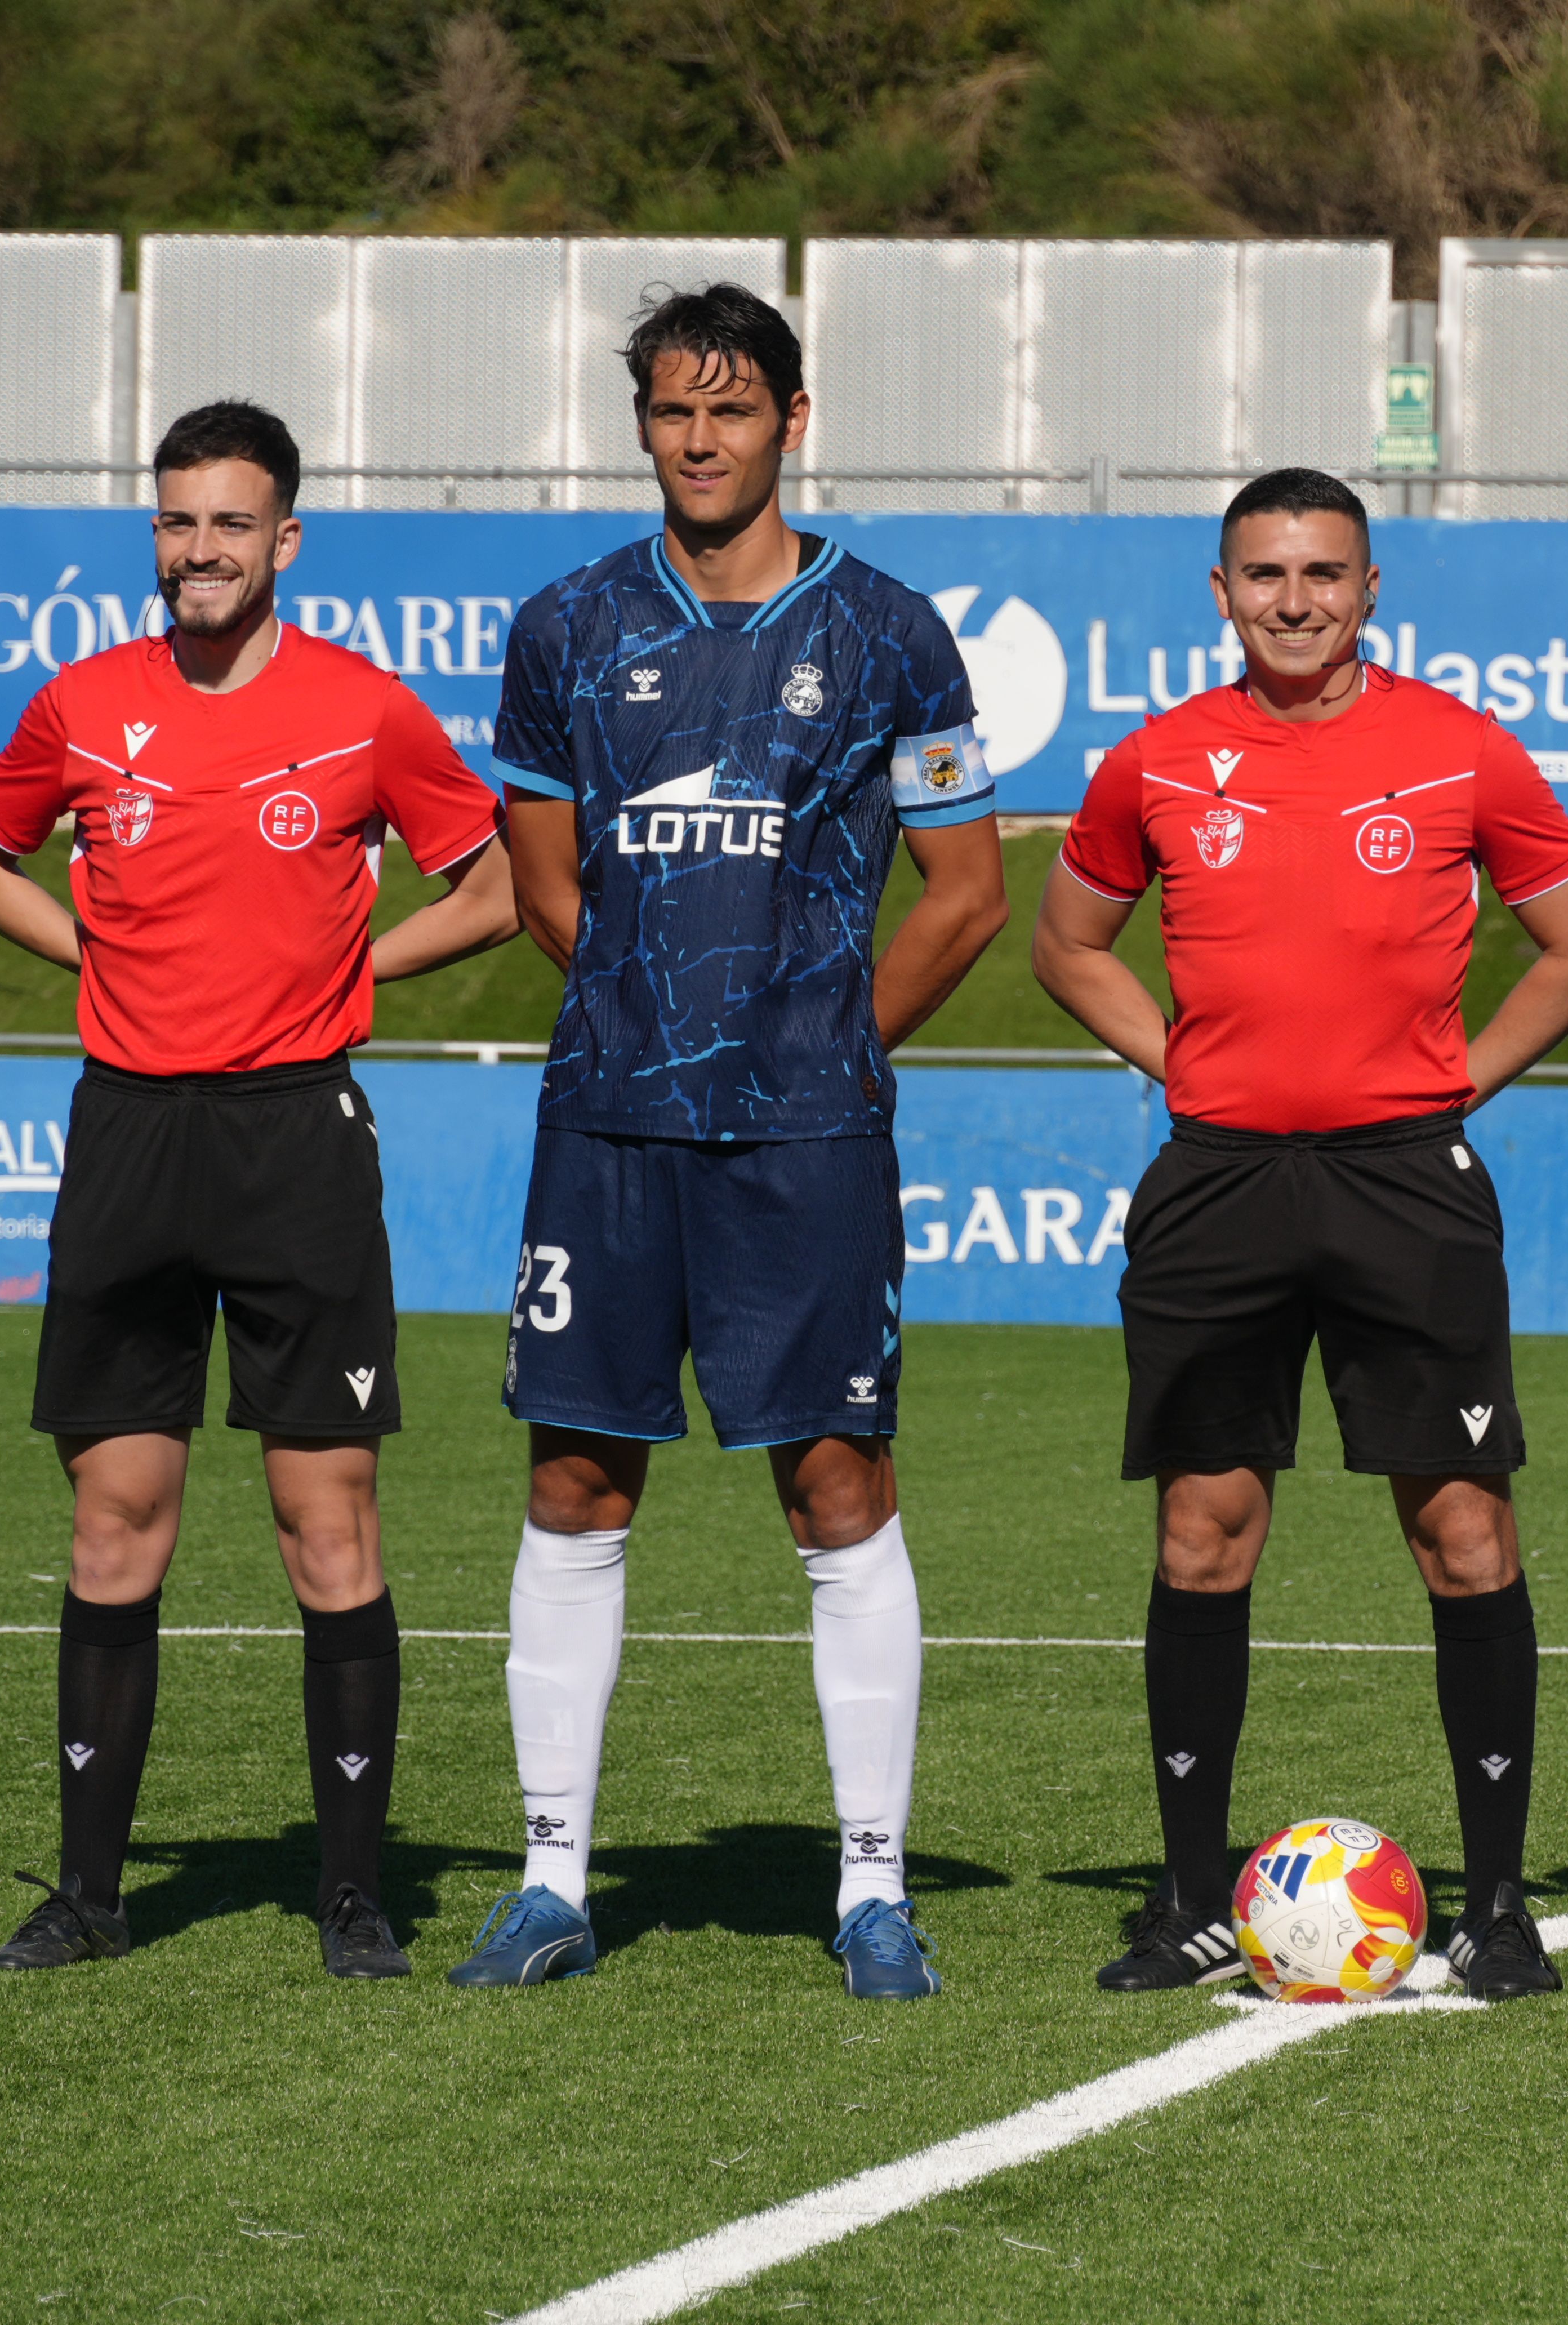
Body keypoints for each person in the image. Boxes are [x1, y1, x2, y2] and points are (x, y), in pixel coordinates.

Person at [447, 284, 1006, 2001]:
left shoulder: (897, 631)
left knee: (837, 1487)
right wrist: (663, 1025)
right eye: (674, 413)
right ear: (643, 428)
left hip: (806, 1139)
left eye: (735, 409)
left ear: (792, 418)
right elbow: (545, 885)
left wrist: (821, 1046)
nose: (703, 440)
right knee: (574, 1479)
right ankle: (552, 1881)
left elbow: (968, 896)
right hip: (609, 1122)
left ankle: (869, 1892)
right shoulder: (562, 627)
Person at [0, 399, 519, 1980]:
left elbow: (501, 890)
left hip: (294, 1144)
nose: (200, 551)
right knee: (115, 1521)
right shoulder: (83, 704)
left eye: (230, 524)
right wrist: (92, 953)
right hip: (127, 1136)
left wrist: (355, 971)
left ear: (287, 542)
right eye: (177, 523)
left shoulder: (365, 712)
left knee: (323, 1520)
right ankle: (89, 1898)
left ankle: (352, 1896)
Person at [1034, 467, 1568, 1999]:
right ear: (1221, 593)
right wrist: (1183, 1064)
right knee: (1204, 1532)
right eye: (1264, 576)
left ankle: (1497, 1906)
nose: (1295, 601)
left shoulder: (1458, 753)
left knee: (1463, 1531)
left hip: (1404, 1187)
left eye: (1324, 575)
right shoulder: (1159, 762)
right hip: (1219, 1185)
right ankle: (1186, 1900)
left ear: (1371, 591)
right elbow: (1069, 943)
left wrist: (1455, 1084)